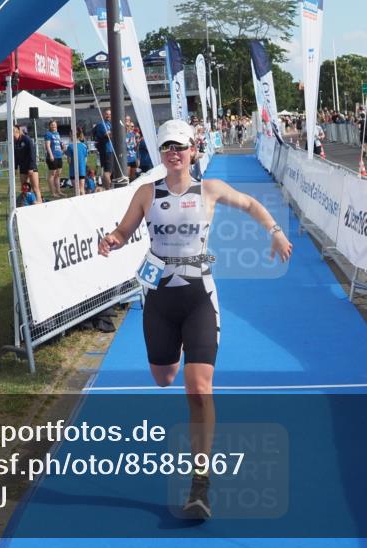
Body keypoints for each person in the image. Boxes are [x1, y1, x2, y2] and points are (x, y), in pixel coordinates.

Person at [98, 119, 293, 520]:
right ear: (161, 152)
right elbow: (123, 230)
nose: (174, 152)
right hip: (159, 298)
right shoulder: (145, 193)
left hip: (199, 297)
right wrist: (111, 241)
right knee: (164, 377)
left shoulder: (209, 189)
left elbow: (251, 204)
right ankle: (177, 352)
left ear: (193, 151)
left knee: (199, 388)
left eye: (181, 147)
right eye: (167, 146)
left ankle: (199, 483)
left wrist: (274, 230)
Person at [14, 125, 42, 205]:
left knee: (35, 187)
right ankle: (25, 204)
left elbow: (32, 154)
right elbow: (15, 156)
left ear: (18, 131)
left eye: (14, 133)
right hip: (22, 167)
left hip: (31, 167)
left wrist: (31, 168)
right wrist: (15, 168)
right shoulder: (15, 142)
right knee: (24, 187)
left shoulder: (27, 139)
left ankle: (39, 202)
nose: (13, 136)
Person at [92, 109, 113, 190]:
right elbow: (107, 135)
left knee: (109, 171)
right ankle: (107, 189)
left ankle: (106, 188)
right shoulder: (102, 124)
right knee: (107, 171)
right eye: (106, 114)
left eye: (110, 114)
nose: (108, 116)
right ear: (103, 115)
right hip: (107, 150)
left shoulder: (110, 124)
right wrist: (117, 128)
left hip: (110, 150)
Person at [44, 120, 64, 199]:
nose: (54, 126)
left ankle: (59, 191)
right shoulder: (48, 134)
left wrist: (62, 146)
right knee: (52, 174)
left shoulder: (57, 133)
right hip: (52, 157)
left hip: (59, 156)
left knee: (58, 174)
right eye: (52, 125)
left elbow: (59, 142)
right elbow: (48, 146)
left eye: (55, 125)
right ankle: (53, 192)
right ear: (49, 126)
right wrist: (51, 155)